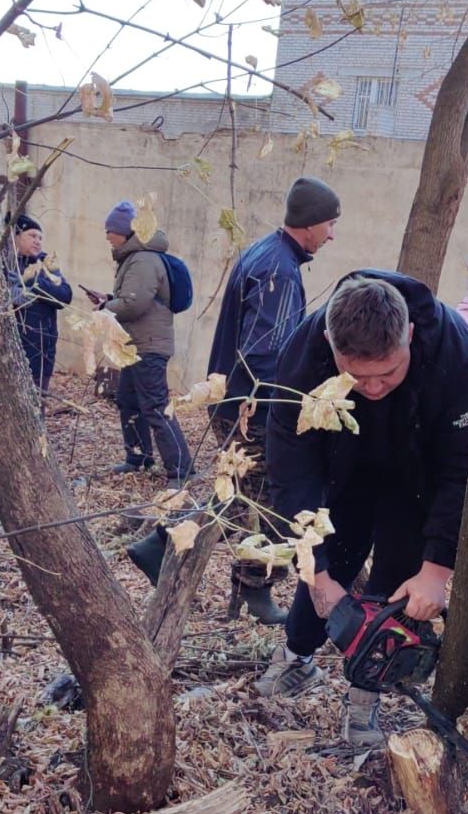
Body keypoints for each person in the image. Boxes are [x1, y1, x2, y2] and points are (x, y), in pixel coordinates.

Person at [256, 271, 468, 750]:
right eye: (357, 376)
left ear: (411, 338)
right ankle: (298, 656)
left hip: (416, 471)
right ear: (329, 345)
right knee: (326, 559)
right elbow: (290, 466)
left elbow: (461, 466)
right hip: (343, 466)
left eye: (388, 373)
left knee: (400, 574)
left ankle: (365, 694)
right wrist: (317, 575)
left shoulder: (453, 348)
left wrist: (438, 568)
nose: (374, 387)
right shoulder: (303, 355)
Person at [128, 176, 341, 618]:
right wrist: (275, 413)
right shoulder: (278, 272)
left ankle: (161, 544)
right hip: (255, 406)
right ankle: (255, 589)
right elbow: (266, 353)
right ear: (310, 224)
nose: (332, 234)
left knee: (237, 493)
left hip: (237, 402)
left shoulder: (266, 253)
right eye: (330, 224)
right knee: (268, 500)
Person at [90, 200, 192, 478]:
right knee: (128, 401)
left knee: (155, 407)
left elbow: (135, 305)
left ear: (125, 232)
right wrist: (110, 301)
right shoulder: (135, 258)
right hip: (135, 346)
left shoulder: (143, 259)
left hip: (148, 346)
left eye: (110, 230)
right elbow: (132, 299)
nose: (107, 235)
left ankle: (182, 469)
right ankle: (138, 459)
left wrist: (104, 308)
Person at [8, 213, 72, 395]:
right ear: (17, 237)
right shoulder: (2, 264)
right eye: (32, 236)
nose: (38, 241)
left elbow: (64, 296)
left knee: (37, 404)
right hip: (9, 350)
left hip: (42, 351)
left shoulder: (46, 264)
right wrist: (9, 294)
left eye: (40, 238)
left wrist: (34, 282)